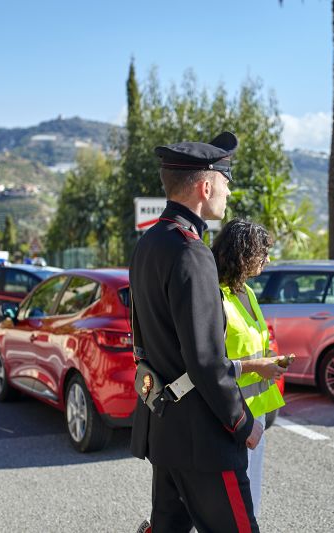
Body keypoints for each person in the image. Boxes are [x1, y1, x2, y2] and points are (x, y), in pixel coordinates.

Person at [129, 131, 262, 533]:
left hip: (163, 427)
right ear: (205, 186)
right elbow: (205, 360)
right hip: (202, 440)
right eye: (225, 181)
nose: (227, 191)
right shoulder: (191, 252)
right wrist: (243, 422)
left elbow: (141, 337)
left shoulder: (149, 242)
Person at [211, 219, 288, 518]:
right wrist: (258, 366)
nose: (268, 259)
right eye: (263, 252)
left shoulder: (248, 293)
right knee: (230, 503)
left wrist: (272, 359)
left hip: (256, 413)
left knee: (249, 497)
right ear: (243, 253)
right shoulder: (216, 297)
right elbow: (209, 363)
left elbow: (257, 340)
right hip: (231, 415)